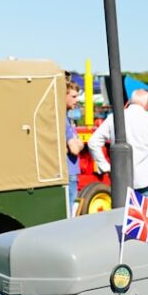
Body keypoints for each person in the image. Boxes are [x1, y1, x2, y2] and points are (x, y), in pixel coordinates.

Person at [87, 88, 148, 197]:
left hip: (120, 177)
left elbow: (93, 142)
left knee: (121, 207)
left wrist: (105, 166)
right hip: (144, 177)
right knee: (143, 207)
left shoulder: (113, 118)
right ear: (147, 104)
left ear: (130, 101)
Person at [64, 81, 84, 217]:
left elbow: (78, 144)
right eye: (73, 96)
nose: (77, 100)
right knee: (70, 212)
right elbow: (75, 149)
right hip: (69, 172)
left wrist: (77, 143)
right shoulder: (64, 121)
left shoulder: (67, 118)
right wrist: (78, 143)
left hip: (71, 171)